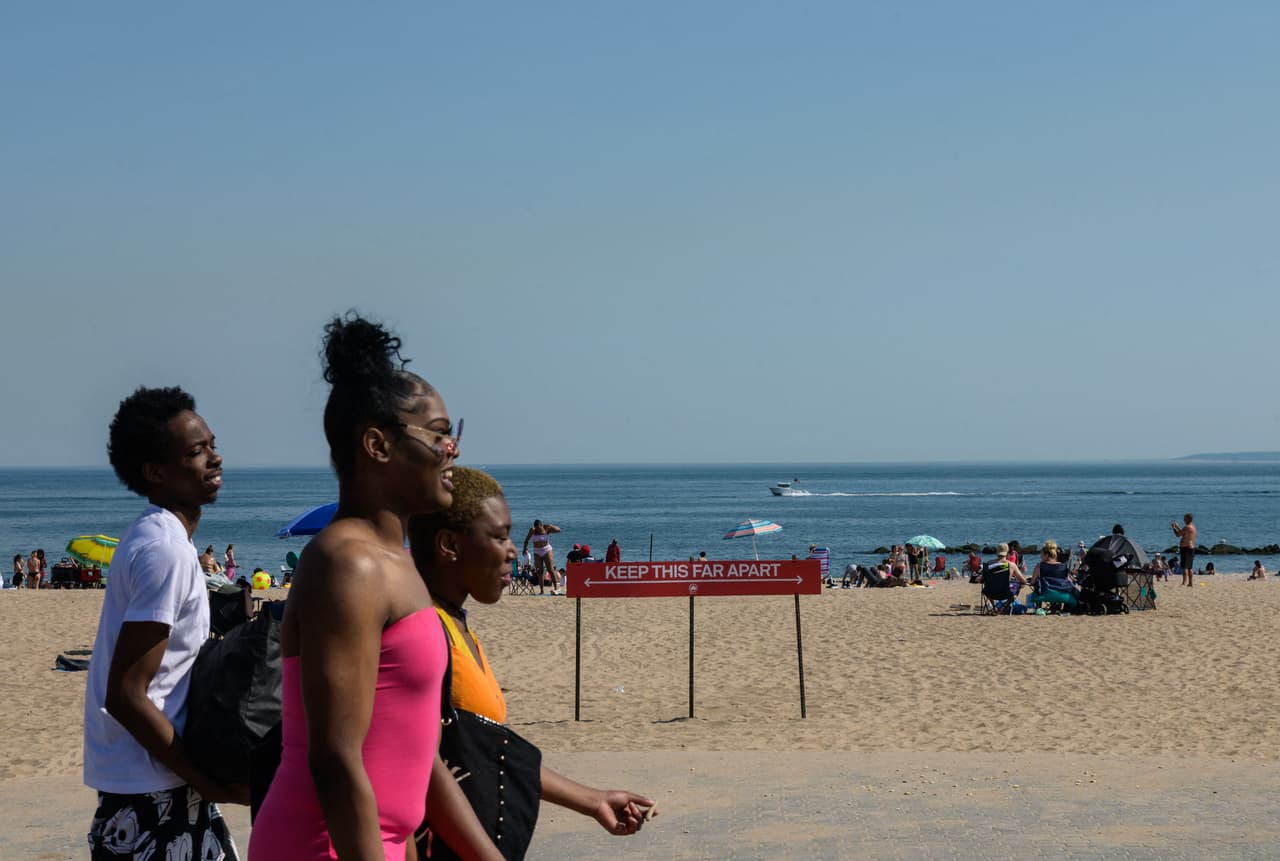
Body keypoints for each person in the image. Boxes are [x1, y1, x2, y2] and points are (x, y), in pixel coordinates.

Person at [250, 314, 498, 861]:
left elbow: (407, 754)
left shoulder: (394, 561)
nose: (452, 449)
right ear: (377, 445)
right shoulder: (349, 564)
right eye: (438, 434)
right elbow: (336, 758)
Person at [407, 467, 654, 856]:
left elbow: (484, 752)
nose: (512, 551)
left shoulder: (456, 625)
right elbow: (418, 775)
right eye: (499, 536)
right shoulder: (422, 631)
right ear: (449, 544)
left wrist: (592, 800)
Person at [84, 385, 242, 860]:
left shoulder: (155, 535)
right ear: (154, 471)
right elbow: (128, 693)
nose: (215, 458)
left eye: (212, 445)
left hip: (157, 780)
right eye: (197, 451)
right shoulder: (165, 551)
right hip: (154, 789)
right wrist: (210, 783)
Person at [522, 519, 562, 595]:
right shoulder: (532, 530)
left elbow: (559, 530)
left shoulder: (546, 528)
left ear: (541, 525)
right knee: (539, 571)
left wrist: (551, 526)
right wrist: (524, 548)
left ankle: (557, 588)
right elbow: (526, 540)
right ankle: (541, 590)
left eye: (539, 528)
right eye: (536, 528)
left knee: (550, 569)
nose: (538, 530)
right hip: (537, 552)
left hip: (547, 550)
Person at [1172, 514, 1197, 587]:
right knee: (1190, 567)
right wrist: (1177, 526)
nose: (1183, 520)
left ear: (1188, 519)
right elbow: (1183, 534)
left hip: (1186, 548)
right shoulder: (1193, 527)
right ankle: (1190, 582)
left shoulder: (1187, 527)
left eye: (1184, 519)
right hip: (1191, 548)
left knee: (1184, 567)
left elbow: (1178, 535)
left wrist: (1173, 528)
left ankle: (1184, 582)